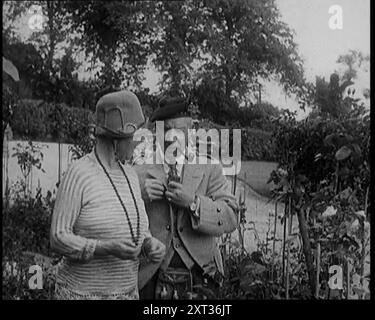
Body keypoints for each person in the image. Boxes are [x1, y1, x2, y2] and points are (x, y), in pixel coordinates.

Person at [50, 90, 165, 300]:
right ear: (117, 138)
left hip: (126, 294)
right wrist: (104, 248)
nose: (140, 143)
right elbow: (58, 238)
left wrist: (149, 243)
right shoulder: (80, 173)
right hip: (82, 294)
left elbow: (137, 226)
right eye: (135, 136)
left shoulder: (130, 174)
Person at [134, 96, 238, 299]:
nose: (172, 138)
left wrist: (193, 203)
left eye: (179, 131)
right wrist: (139, 196)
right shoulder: (138, 171)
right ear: (156, 132)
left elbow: (231, 217)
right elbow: (119, 220)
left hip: (202, 274)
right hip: (149, 275)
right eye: (166, 130)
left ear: (190, 133)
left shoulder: (209, 168)